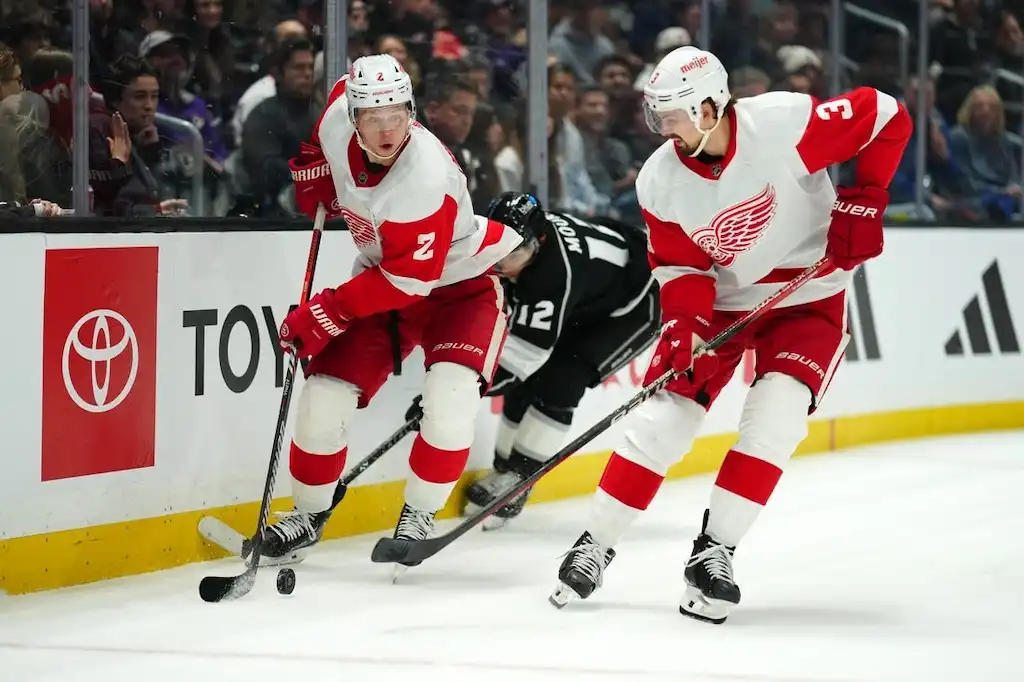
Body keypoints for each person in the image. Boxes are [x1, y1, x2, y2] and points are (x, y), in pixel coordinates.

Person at [549, 46, 911, 623]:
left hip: (809, 295)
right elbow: (682, 267)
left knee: (777, 418)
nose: (661, 127)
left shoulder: (785, 123)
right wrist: (685, 326)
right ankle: (593, 542)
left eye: (672, 113)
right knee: (664, 419)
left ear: (711, 107)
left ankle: (714, 552)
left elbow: (888, 115)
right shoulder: (659, 181)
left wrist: (867, 198)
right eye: (657, 113)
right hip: (722, 304)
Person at [262, 53, 522, 576]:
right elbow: (323, 132)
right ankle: (308, 517)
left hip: (459, 287)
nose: (387, 129)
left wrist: (326, 313)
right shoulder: (338, 112)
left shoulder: (423, 177)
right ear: (353, 114)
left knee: (449, 402)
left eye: (397, 115)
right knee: (323, 398)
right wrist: (315, 169)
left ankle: (419, 515)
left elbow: (409, 281)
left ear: (412, 110)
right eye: (373, 117)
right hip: (385, 278)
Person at [407, 192, 660, 529]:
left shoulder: (553, 273)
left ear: (539, 242)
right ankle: (503, 470)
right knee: (528, 378)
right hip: (589, 296)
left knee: (564, 378)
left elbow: (521, 359)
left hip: (636, 304)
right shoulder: (526, 249)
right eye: (498, 247)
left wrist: (451, 397)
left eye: (514, 252)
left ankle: (518, 479)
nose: (499, 262)